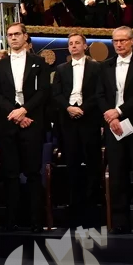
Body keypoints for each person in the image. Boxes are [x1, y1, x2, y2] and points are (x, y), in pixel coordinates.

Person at [0, 23, 49, 232]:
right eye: (10, 35)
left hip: (32, 123)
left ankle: (36, 221)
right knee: (10, 173)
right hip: (8, 124)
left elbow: (44, 91)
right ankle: (11, 220)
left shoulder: (39, 62)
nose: (13, 38)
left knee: (33, 173)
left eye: (17, 34)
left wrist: (24, 110)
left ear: (25, 36)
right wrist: (15, 113)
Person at [97, 26, 133, 235]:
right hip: (114, 127)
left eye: (123, 40)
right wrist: (111, 117)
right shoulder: (105, 66)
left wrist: (119, 111)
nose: (118, 44)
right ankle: (120, 222)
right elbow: (100, 94)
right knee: (117, 174)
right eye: (115, 41)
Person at [51, 33, 102, 228]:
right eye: (70, 43)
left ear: (85, 46)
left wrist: (84, 109)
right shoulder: (61, 69)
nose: (73, 46)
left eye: (77, 43)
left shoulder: (97, 67)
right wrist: (68, 108)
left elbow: (99, 93)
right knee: (71, 163)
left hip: (89, 118)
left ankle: (92, 203)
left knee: (92, 162)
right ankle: (74, 204)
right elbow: (56, 94)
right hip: (68, 120)